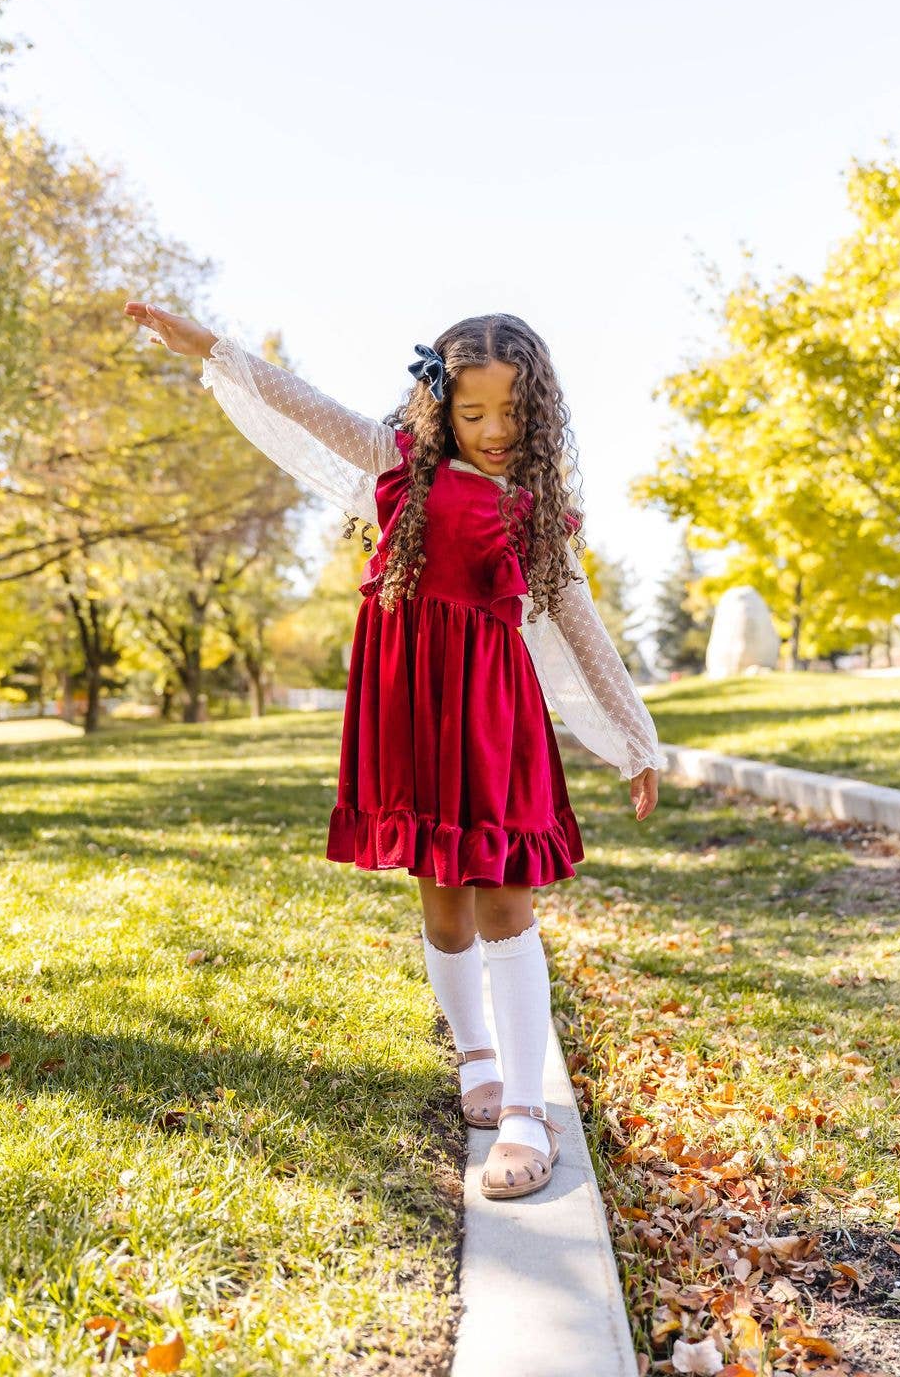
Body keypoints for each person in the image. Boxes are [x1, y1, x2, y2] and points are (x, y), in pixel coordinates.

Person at [122, 301, 666, 1201]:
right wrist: (210, 346)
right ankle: (477, 1063)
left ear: (539, 414)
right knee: (445, 906)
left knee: (504, 904)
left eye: (511, 414)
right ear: (441, 409)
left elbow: (580, 625)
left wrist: (632, 737)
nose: (493, 431)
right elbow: (302, 404)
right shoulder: (400, 467)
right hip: (410, 710)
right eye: (472, 413)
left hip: (492, 717)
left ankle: (527, 1113)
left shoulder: (535, 515)